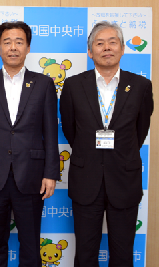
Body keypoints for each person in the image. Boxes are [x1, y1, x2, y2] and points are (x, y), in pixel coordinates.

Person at [0, 21, 60, 267]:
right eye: (7, 42)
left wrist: (51, 173)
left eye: (19, 41)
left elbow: (51, 132)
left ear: (28, 47)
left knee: (30, 244)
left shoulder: (44, 84)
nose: (13, 47)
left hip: (31, 174)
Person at [60, 21, 154, 267]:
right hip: (86, 178)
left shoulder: (141, 86)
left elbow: (139, 131)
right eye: (99, 43)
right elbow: (71, 130)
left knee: (123, 255)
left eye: (113, 42)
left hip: (124, 178)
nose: (107, 48)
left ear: (123, 48)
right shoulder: (72, 86)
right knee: (85, 254)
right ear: (90, 52)